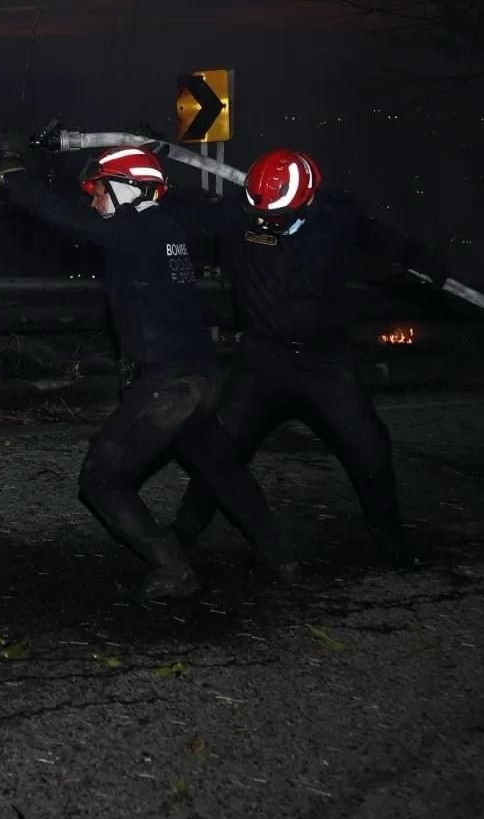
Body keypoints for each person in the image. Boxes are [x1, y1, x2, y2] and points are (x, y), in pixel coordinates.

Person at [0, 133, 296, 599]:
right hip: (197, 381)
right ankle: (282, 555)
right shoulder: (165, 227)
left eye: (100, 188)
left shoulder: (136, 229)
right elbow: (225, 216)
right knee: (223, 471)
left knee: (100, 479)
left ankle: (172, 568)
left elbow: (61, 213)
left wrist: (15, 174)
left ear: (129, 190)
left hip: (167, 387)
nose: (93, 197)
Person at [165, 147, 448, 569]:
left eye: (275, 218)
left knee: (370, 450)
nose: (265, 223)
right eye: (258, 213)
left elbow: (382, 241)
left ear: (309, 198)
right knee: (221, 450)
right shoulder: (239, 214)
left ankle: (394, 547)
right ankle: (182, 535)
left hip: (326, 364)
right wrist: (155, 166)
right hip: (261, 361)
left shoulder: (339, 219)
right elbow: (179, 211)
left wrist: (422, 261)